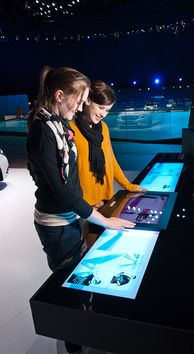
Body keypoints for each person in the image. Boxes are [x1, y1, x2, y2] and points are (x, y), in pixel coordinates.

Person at [26, 66, 135, 354]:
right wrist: (100, 217)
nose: (81, 106)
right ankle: (73, 341)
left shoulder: (59, 123)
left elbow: (72, 178)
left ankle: (82, 318)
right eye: (81, 99)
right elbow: (63, 190)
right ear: (61, 95)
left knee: (79, 279)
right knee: (66, 285)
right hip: (58, 223)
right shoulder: (42, 130)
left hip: (74, 216)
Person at [70, 80, 146, 246]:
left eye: (107, 110)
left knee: (111, 245)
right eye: (101, 107)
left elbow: (110, 159)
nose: (103, 113)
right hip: (85, 206)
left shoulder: (103, 128)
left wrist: (128, 185)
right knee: (91, 250)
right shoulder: (70, 128)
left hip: (107, 198)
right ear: (88, 100)